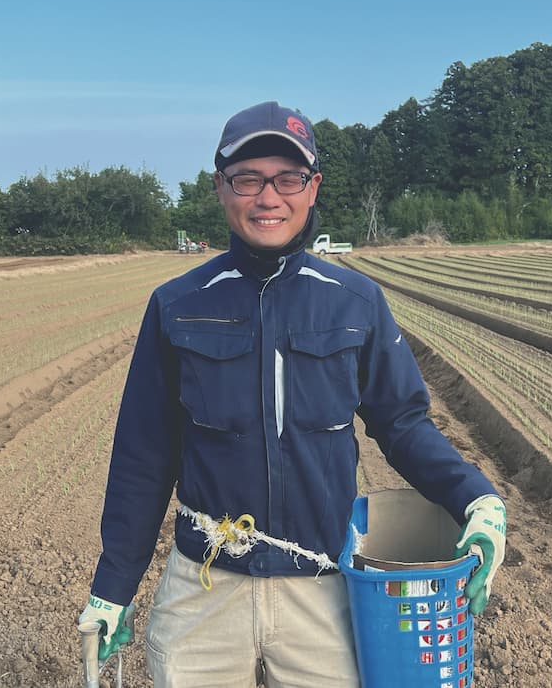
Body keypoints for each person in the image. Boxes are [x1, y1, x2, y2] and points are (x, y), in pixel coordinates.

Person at [79, 101, 506, 687]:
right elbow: (143, 453)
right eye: (248, 178)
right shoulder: (178, 304)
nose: (268, 197)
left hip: (324, 586)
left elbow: (403, 425)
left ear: (312, 188)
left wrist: (476, 499)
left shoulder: (355, 302)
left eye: (287, 178)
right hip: (205, 587)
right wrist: (113, 586)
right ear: (221, 187)